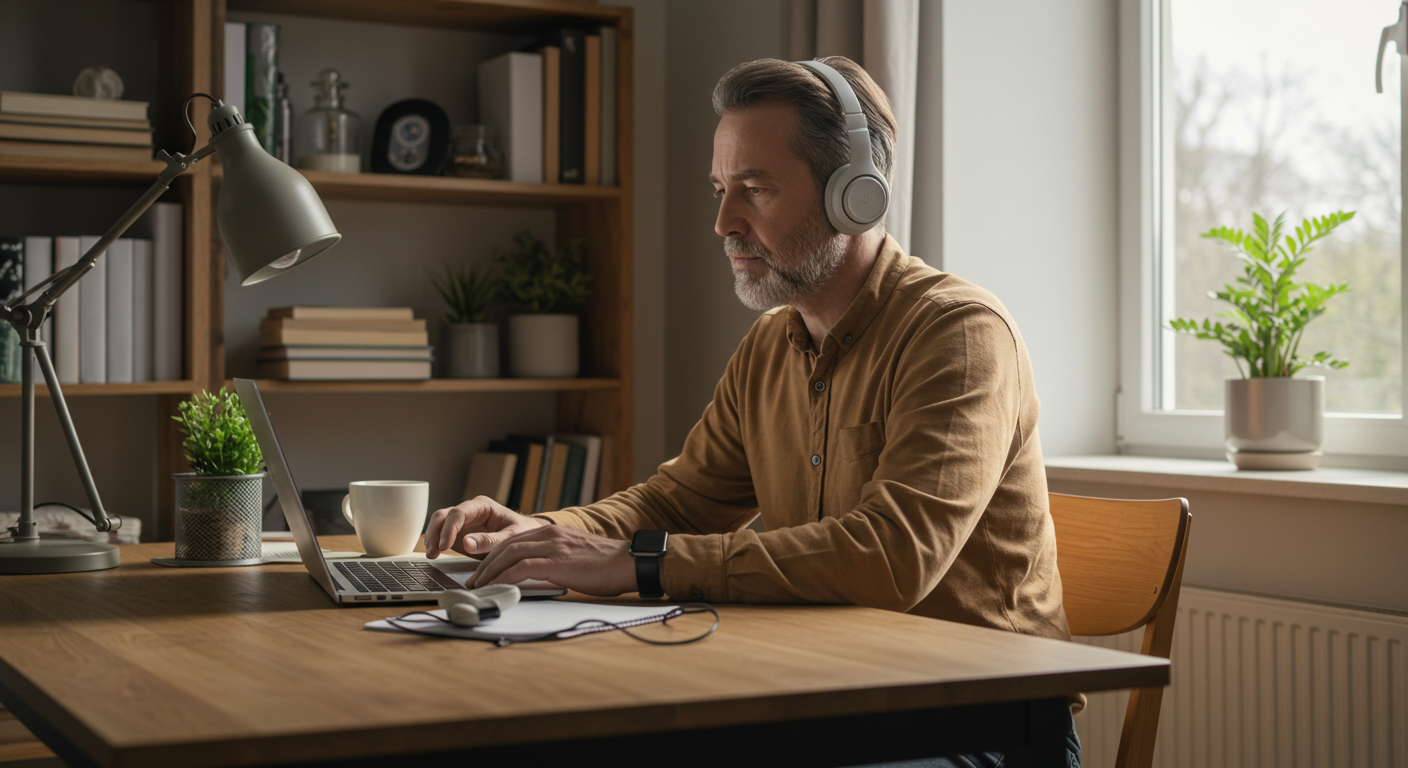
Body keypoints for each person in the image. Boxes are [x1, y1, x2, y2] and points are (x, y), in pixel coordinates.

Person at [427, 57, 1080, 766]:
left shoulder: (958, 333)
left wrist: (637, 564)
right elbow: (681, 501)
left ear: (854, 196)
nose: (722, 222)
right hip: (839, 696)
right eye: (719, 189)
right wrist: (543, 534)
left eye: (755, 190)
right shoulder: (773, 343)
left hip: (983, 723)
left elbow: (893, 558)